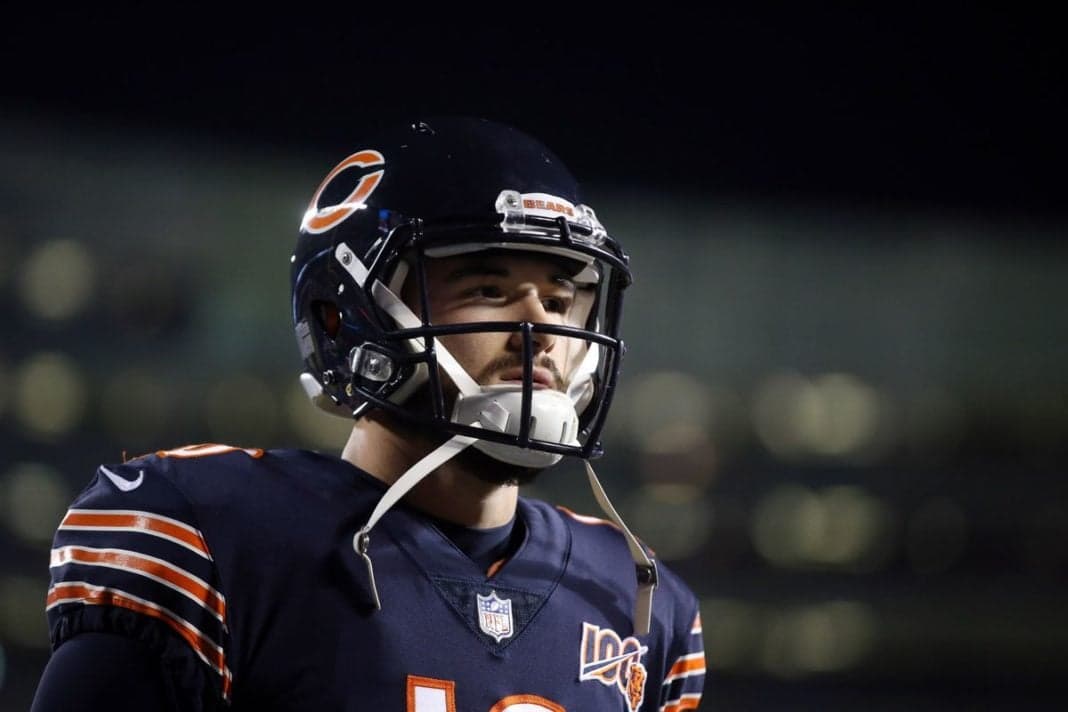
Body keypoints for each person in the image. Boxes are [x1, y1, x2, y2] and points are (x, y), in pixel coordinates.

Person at [32, 117, 705, 711]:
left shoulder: (640, 602)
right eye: (489, 289)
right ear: (344, 318)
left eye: (559, 303)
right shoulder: (215, 534)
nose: (542, 332)